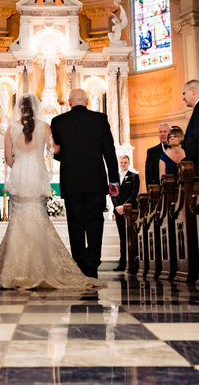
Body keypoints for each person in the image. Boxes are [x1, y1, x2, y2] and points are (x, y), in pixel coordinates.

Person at [0, 93, 100, 289]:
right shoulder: (44, 127)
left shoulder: (11, 129)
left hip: (20, 177)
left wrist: (20, 161)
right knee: (39, 218)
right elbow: (55, 150)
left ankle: (16, 269)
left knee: (18, 221)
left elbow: (8, 158)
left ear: (19, 108)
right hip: (37, 176)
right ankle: (40, 268)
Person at [51, 88, 121, 279]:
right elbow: (109, 151)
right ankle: (93, 263)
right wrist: (113, 179)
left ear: (69, 102)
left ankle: (80, 264)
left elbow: (55, 152)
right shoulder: (100, 120)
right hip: (95, 182)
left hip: (71, 182)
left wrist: (69, 159)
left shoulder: (58, 121)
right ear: (88, 101)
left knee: (75, 224)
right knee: (95, 222)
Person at [111, 155, 139, 271]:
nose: (123, 164)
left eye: (125, 162)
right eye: (121, 162)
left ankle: (133, 263)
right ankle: (122, 264)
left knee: (131, 236)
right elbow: (112, 194)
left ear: (128, 163)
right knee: (122, 237)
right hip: (118, 211)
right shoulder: (114, 177)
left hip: (130, 210)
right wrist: (117, 206)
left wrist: (125, 205)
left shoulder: (134, 176)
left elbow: (134, 192)